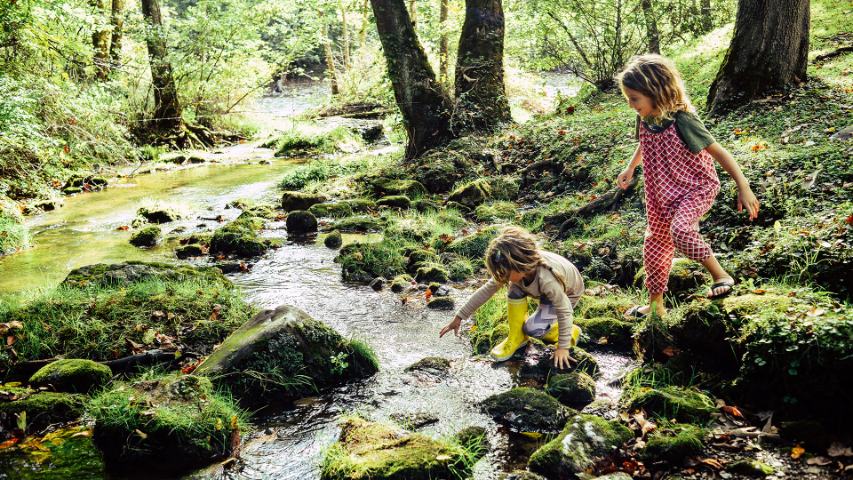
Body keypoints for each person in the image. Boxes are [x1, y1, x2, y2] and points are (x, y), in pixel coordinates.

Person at [615, 54, 760, 319]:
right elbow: (644, 143)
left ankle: (721, 275)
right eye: (628, 98)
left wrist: (743, 186)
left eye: (634, 98)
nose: (630, 104)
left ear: (655, 91)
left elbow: (720, 152)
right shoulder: (646, 117)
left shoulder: (683, 120)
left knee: (681, 231)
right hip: (660, 193)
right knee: (655, 244)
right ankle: (655, 304)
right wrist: (631, 166)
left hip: (695, 188)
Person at [439, 226, 584, 368]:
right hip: (544, 291)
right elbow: (486, 290)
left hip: (568, 293)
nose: (502, 277)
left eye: (505, 274)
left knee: (533, 329)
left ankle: (570, 331)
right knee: (514, 287)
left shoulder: (547, 278)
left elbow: (564, 309)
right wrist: (459, 317)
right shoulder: (516, 269)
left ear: (519, 263)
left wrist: (563, 347)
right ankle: (517, 338)